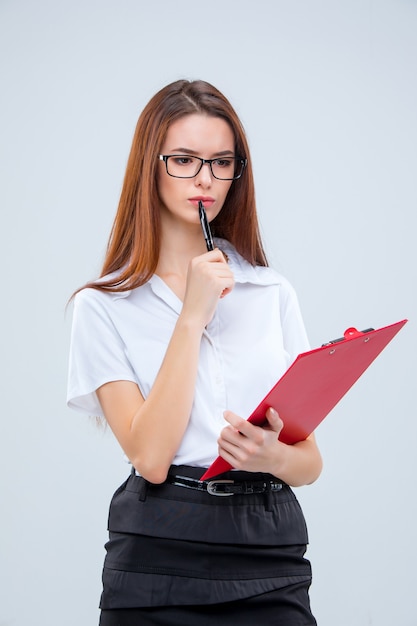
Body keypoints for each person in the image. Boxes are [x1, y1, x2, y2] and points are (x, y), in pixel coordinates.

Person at [67, 79, 323, 625]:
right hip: (158, 553)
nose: (205, 179)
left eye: (221, 162)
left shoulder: (271, 292)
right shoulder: (102, 306)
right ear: (150, 166)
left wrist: (269, 457)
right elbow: (150, 457)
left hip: (266, 546)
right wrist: (191, 315)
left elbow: (310, 462)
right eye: (183, 159)